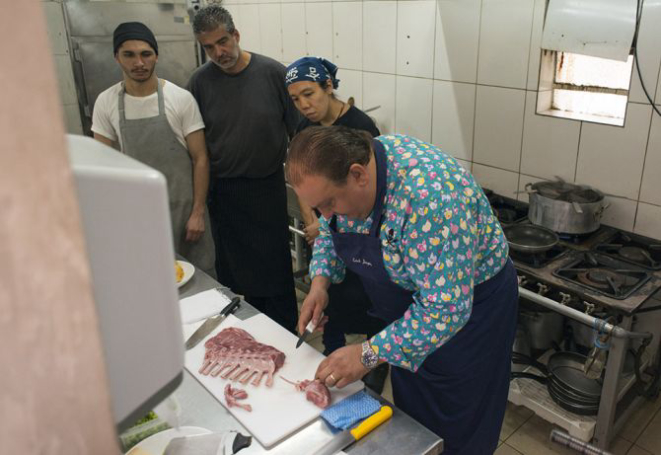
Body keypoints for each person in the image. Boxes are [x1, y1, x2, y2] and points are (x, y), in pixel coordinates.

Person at [286, 126, 519, 455]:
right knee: (415, 422)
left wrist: (367, 353)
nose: (324, 216)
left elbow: (445, 310)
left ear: (358, 175)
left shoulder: (432, 199)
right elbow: (329, 230)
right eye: (317, 208)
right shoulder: (345, 181)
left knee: (461, 424)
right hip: (409, 314)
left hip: (470, 320)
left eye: (328, 203)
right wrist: (320, 282)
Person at [188, 5, 300, 332]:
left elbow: (299, 136)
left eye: (223, 42)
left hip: (265, 188)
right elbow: (195, 147)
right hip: (223, 193)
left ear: (236, 35)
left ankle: (282, 335)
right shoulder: (198, 83)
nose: (218, 52)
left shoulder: (273, 74)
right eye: (209, 47)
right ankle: (249, 336)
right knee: (235, 273)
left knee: (275, 269)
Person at [285, 56, 389, 393]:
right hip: (336, 242)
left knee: (369, 313)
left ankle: (370, 382)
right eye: (295, 99)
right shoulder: (305, 130)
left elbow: (364, 205)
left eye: (309, 94)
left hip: (365, 252)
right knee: (332, 308)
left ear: (328, 86)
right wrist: (315, 219)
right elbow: (304, 184)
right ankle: (335, 365)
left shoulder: (361, 128)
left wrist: (370, 355)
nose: (304, 105)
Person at [92, 22, 216, 277]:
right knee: (148, 280)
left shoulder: (180, 99)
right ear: (117, 57)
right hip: (137, 216)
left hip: (184, 215)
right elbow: (101, 165)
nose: (139, 62)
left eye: (146, 54)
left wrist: (198, 213)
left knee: (200, 282)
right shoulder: (106, 102)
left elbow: (200, 158)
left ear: (156, 56)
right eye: (129, 54)